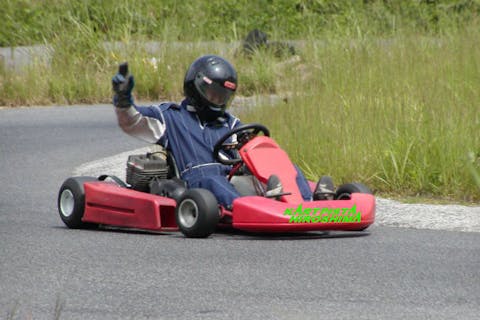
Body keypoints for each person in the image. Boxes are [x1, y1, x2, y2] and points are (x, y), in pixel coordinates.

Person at [112, 55, 319, 209]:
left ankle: (306, 204)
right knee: (213, 179)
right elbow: (132, 121)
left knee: (285, 166)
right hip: (198, 184)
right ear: (197, 87)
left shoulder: (230, 123)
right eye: (214, 95)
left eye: (223, 97)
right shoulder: (171, 117)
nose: (218, 101)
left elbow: (252, 155)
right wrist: (123, 101)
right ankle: (250, 209)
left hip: (230, 180)